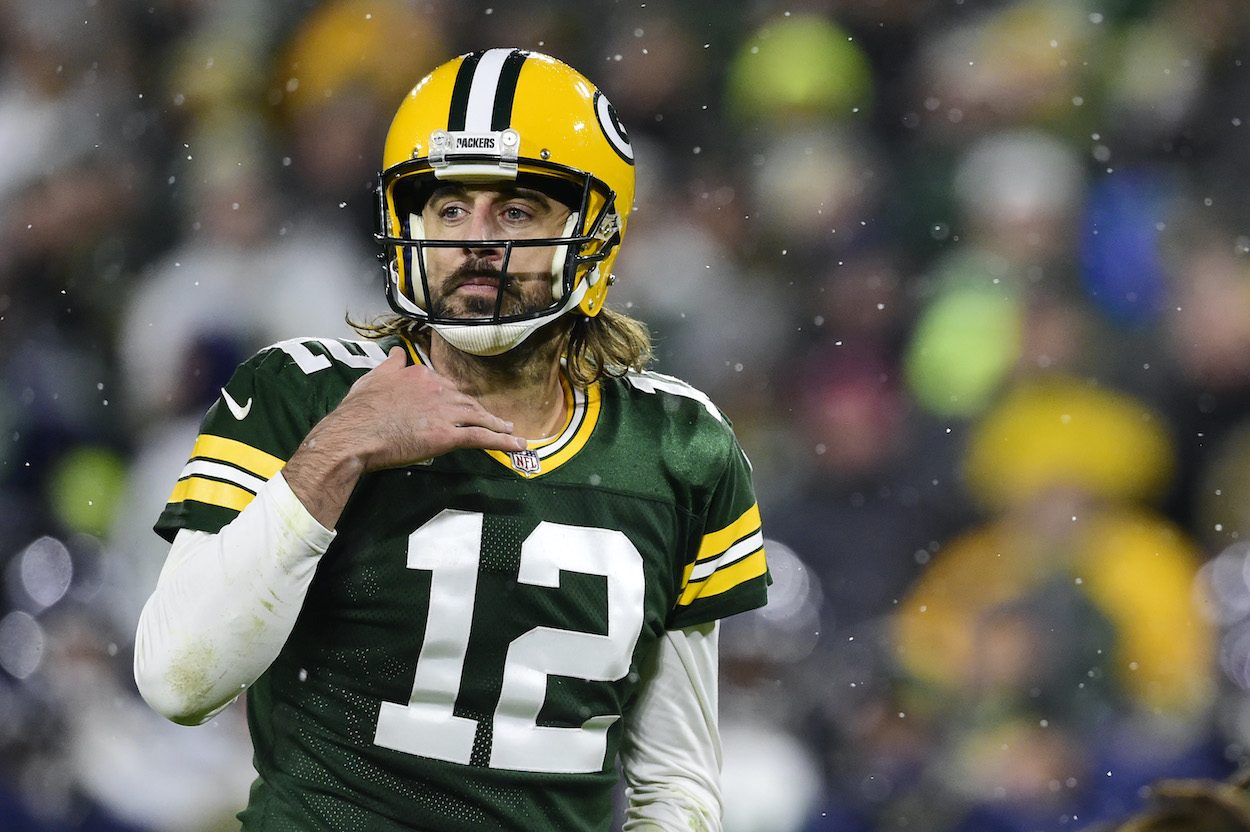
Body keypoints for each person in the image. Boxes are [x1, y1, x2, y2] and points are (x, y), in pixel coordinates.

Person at [132, 48, 770, 832]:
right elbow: (177, 682)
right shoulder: (296, 399)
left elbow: (675, 787)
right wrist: (338, 450)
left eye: (515, 212)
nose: (474, 241)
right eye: (449, 209)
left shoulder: (679, 449)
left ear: (595, 233)